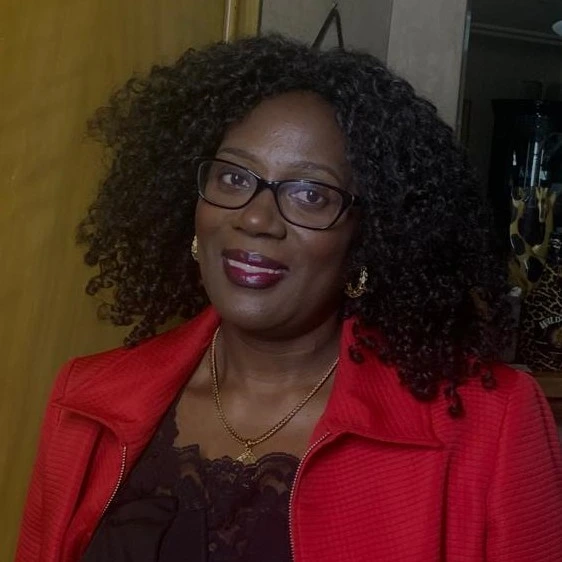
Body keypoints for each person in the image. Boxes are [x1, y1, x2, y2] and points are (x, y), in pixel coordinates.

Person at [16, 35, 562, 562]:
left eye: (310, 193)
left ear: (367, 237)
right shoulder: (86, 400)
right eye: (234, 178)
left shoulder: (490, 425)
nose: (256, 218)